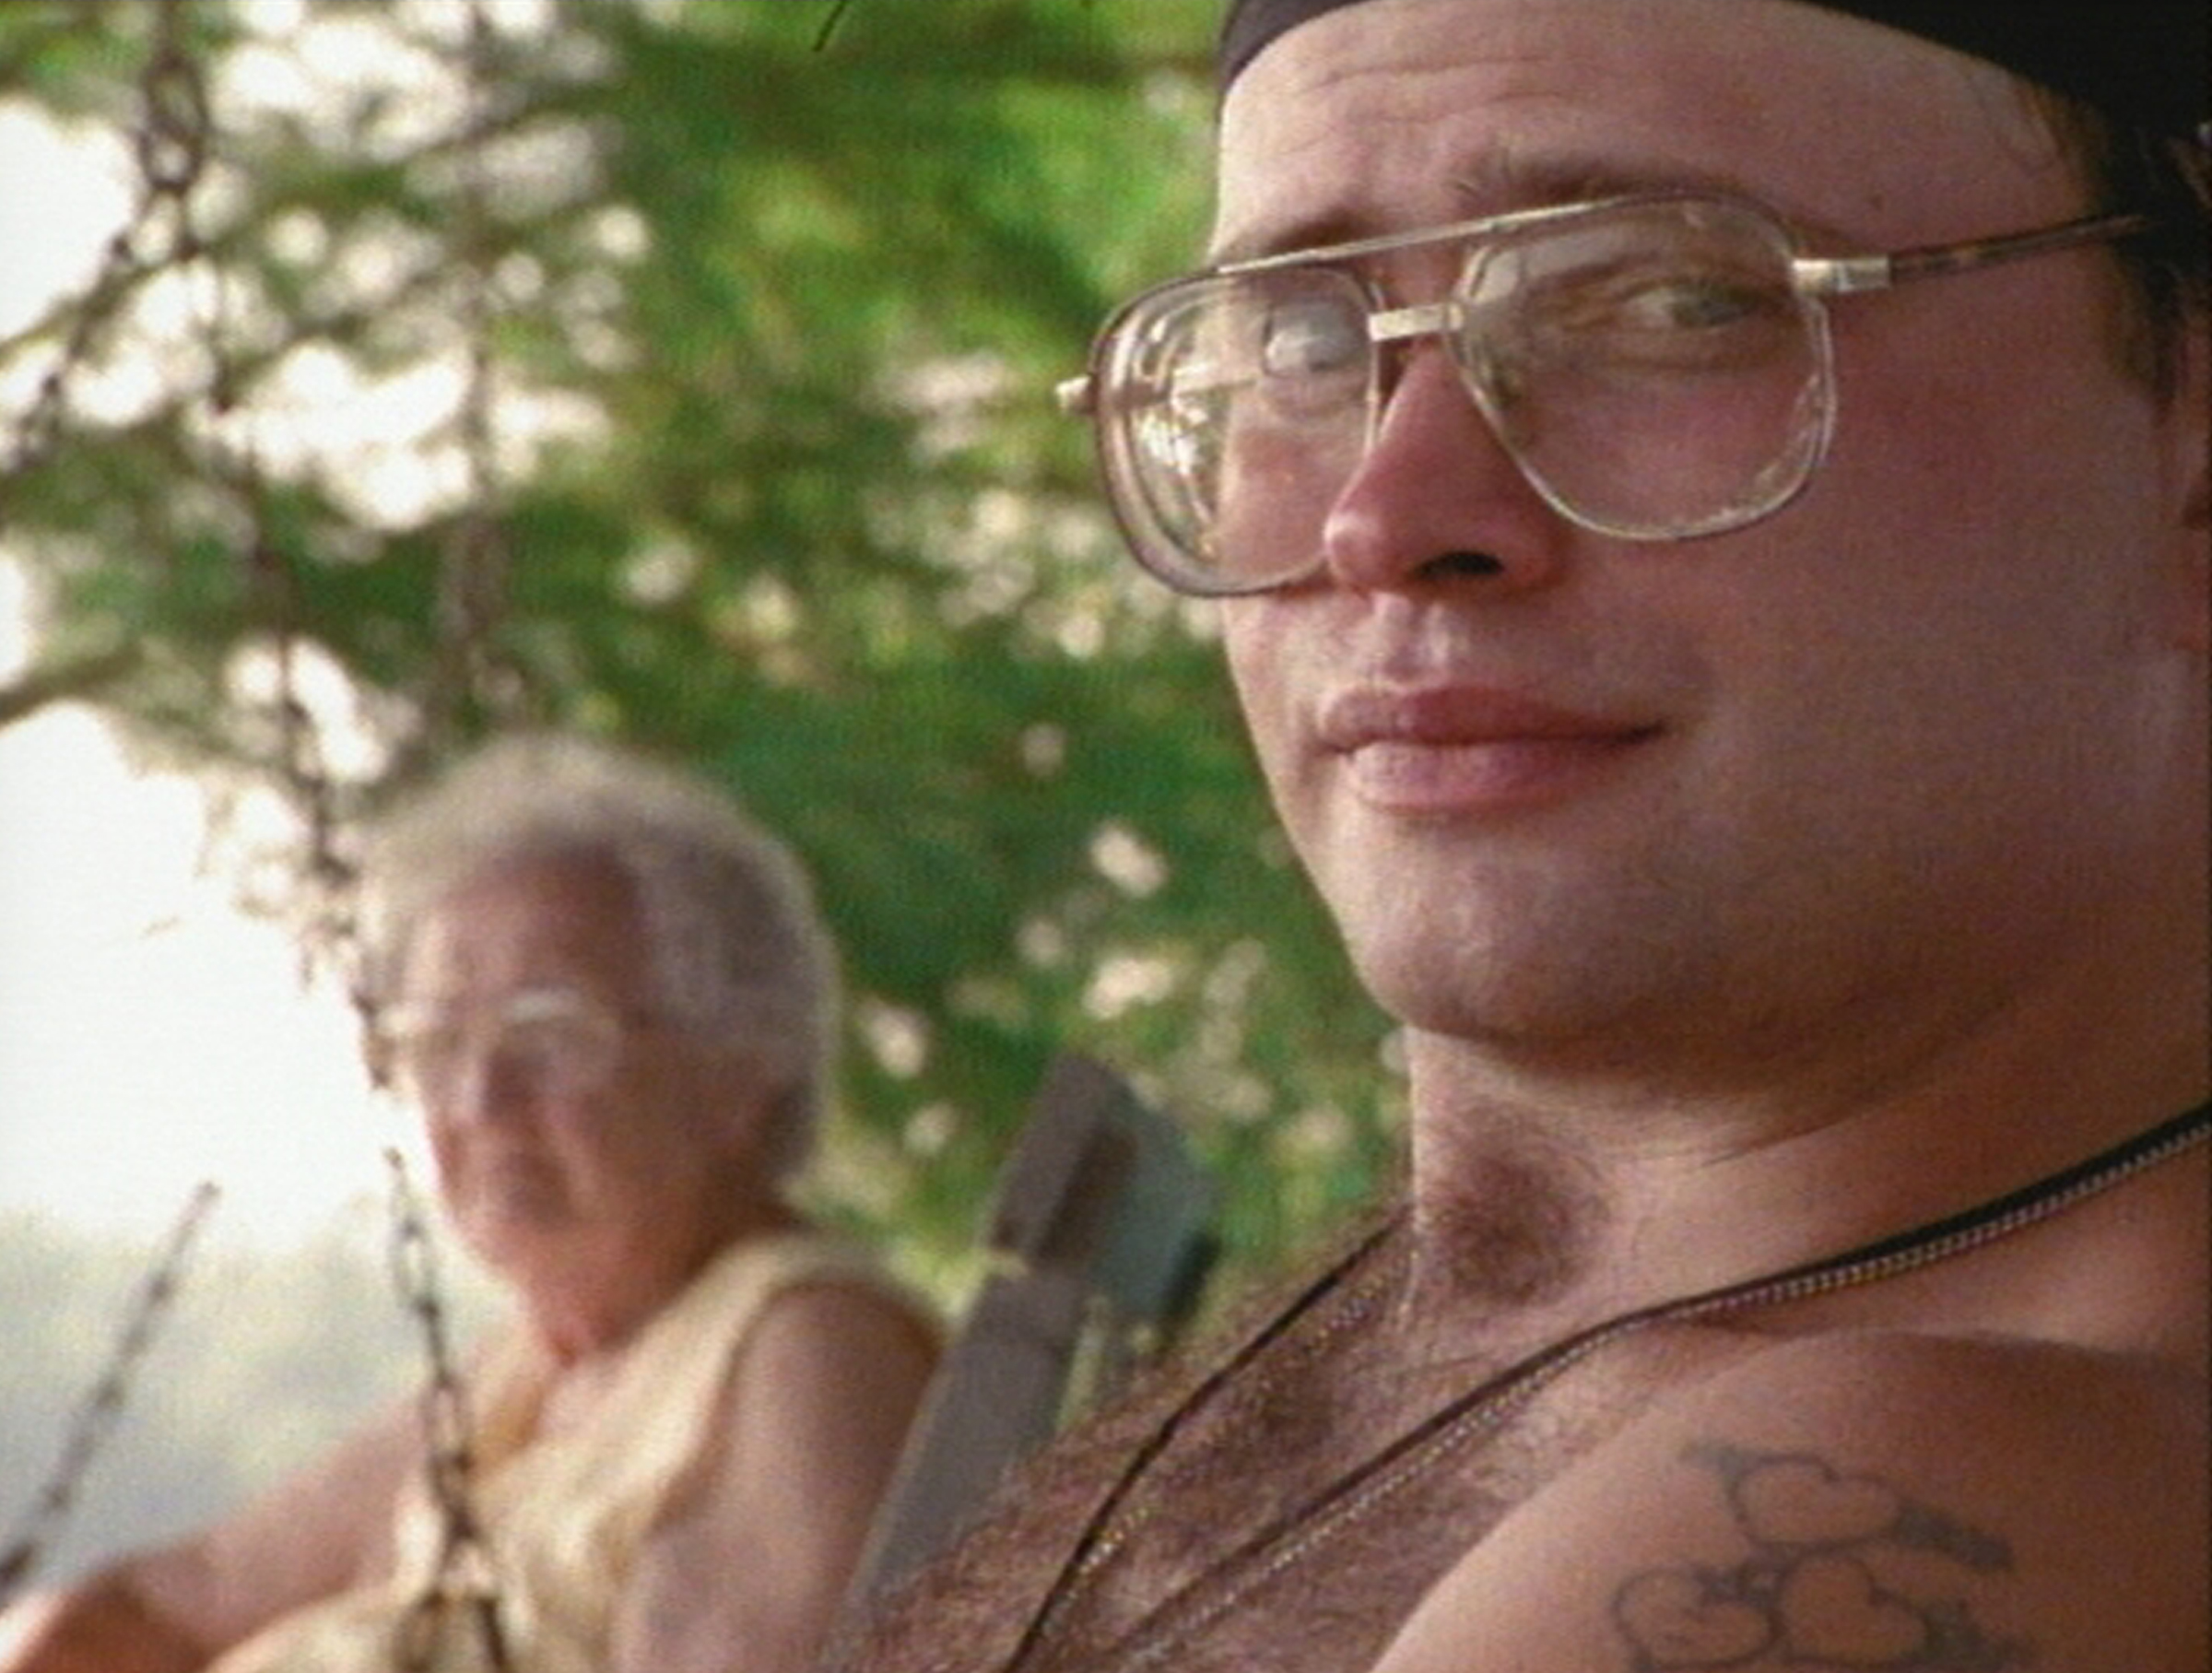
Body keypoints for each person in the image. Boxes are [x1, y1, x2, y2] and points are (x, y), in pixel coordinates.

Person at [834, 3, 2210, 1671]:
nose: (1387, 515)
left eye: (1671, 301)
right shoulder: (1455, 1326)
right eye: (1303, 340)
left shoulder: (1956, 1503)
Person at [0, 734, 939, 1673]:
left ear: (738, 1069)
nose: (481, 1099)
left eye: (548, 1031)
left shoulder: (806, 1349)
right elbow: (171, 1602)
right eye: (440, 1041)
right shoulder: (531, 1371)